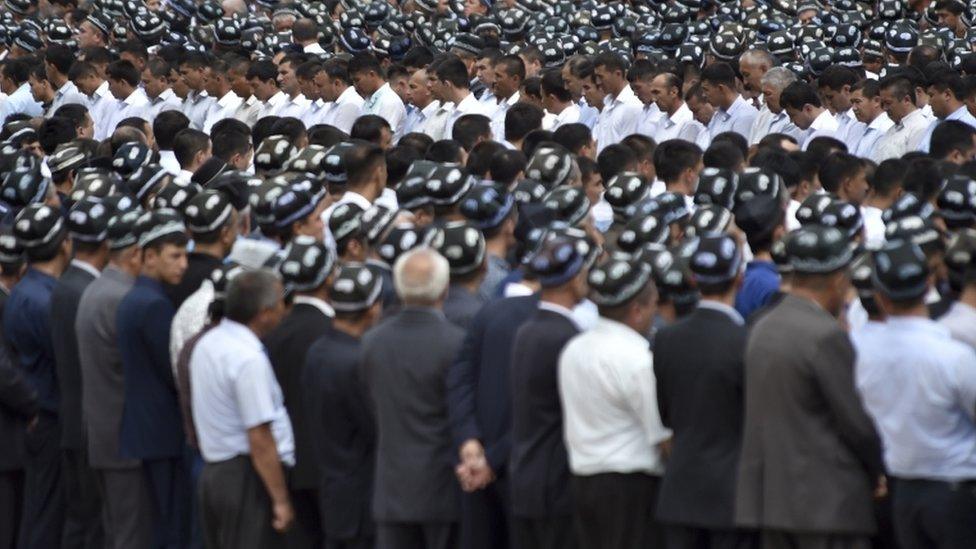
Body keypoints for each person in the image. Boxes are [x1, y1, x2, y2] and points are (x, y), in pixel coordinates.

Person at [736, 224, 885, 548]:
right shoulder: (824, 335)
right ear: (838, 279)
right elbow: (856, 423)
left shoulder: (762, 327)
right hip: (826, 504)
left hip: (772, 502)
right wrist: (879, 469)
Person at [853, 239, 976, 549]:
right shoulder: (952, 357)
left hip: (903, 492)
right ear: (929, 282)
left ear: (880, 297)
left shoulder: (863, 355)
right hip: (955, 494)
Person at [654, 234, 757, 548]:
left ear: (693, 279)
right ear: (739, 279)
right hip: (731, 496)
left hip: (680, 491)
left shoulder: (666, 339)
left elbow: (665, 413)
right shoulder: (746, 341)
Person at [559, 257, 669, 549]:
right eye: (653, 304)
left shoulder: (574, 348)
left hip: (583, 481)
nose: (656, 310)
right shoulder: (637, 359)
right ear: (636, 311)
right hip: (629, 488)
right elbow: (660, 435)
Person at [361, 247, 465, 549]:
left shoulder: (372, 342)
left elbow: (372, 405)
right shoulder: (455, 344)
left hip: (391, 489)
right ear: (444, 290)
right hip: (443, 489)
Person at [191, 269, 295, 547]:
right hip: (246, 478)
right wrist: (281, 500)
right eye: (280, 304)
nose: (284, 310)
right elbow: (260, 437)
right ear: (264, 312)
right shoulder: (247, 359)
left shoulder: (208, 343)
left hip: (216, 473)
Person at [509, 234, 594, 549]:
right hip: (556, 485)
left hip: (525, 477)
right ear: (573, 280)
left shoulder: (527, 331)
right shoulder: (568, 337)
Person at [77, 207, 155, 549]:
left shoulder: (97, 289)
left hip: (104, 434)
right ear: (136, 253)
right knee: (130, 535)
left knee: (117, 531)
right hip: (125, 440)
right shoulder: (122, 299)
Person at [116, 210, 191, 548]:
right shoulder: (153, 306)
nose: (184, 264)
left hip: (146, 428)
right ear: (149, 256)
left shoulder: (136, 297)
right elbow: (172, 371)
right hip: (162, 431)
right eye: (174, 256)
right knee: (170, 525)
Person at [3, 204, 71, 548]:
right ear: (63, 244)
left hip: (37, 417)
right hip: (47, 416)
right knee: (46, 514)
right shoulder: (44, 301)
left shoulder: (25, 292)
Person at [302, 263, 383, 549]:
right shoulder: (357, 361)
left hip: (333, 491)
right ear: (373, 308)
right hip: (361, 499)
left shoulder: (318, 351)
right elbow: (376, 428)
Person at [264, 237, 336, 547]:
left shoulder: (271, 334)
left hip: (289, 466)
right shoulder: (335, 334)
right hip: (331, 466)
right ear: (330, 277)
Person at [50, 198, 110, 548]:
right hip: (89, 425)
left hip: (72, 418)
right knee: (91, 524)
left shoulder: (65, 284)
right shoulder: (87, 291)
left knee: (79, 519)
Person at [592, 51, 642, 152]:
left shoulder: (632, 105)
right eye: (596, 77)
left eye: (601, 77)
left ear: (618, 74)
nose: (598, 82)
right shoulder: (607, 104)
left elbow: (628, 150)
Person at [349, 53, 407, 141]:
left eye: (357, 80)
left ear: (371, 75)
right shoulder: (368, 99)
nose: (355, 85)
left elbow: (382, 139)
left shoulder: (389, 101)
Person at [701, 62, 758, 142]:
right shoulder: (717, 115)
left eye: (706, 90)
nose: (703, 95)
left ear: (721, 88)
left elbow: (739, 152)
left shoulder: (746, 115)